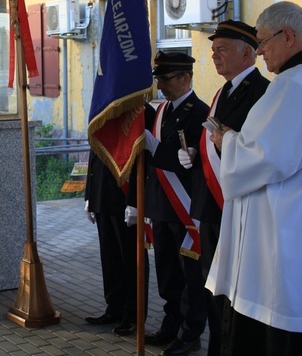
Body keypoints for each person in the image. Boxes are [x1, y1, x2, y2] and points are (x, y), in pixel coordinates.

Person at [207, 1, 302, 355]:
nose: (259, 52)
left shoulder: (295, 84)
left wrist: (226, 140)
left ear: (288, 36)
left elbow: (266, 157)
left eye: (262, 43)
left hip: (288, 233)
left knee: (280, 328)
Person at [177, 20, 269, 355]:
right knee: (212, 284)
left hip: (238, 205)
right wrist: (195, 153)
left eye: (223, 50)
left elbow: (255, 148)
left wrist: (223, 142)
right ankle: (218, 346)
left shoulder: (262, 92)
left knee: (236, 288)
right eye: (213, 51)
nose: (215, 57)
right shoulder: (222, 91)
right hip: (211, 204)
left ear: (248, 53)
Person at [143, 51, 209, 356]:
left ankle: (190, 332)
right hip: (161, 204)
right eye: (158, 78)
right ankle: (171, 323)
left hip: (185, 209)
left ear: (185, 78)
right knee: (167, 272)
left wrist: (156, 148)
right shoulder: (162, 110)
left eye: (165, 79)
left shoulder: (200, 113)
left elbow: (192, 164)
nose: (160, 86)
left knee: (190, 276)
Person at [83, 102, 154, 336]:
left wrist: (135, 200)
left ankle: (133, 316)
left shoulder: (143, 112)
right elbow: (95, 152)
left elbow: (143, 162)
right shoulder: (107, 106)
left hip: (125, 200)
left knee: (131, 260)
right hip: (103, 196)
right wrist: (90, 195)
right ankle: (114, 307)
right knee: (110, 258)